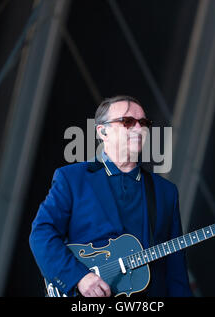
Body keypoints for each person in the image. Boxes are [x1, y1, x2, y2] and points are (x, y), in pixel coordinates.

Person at [29, 95, 192, 297]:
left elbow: (175, 268)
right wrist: (79, 278)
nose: (138, 128)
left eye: (144, 123)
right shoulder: (72, 178)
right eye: (128, 121)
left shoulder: (165, 192)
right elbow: (42, 234)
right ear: (102, 131)